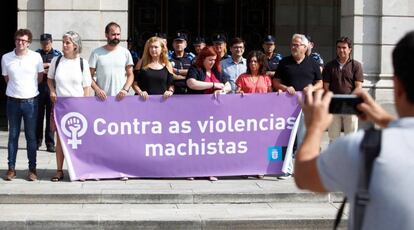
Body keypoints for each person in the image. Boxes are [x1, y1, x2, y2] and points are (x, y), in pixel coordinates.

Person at [294, 31, 414, 230]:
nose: (341, 50)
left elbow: (304, 175)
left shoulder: (362, 149)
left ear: (397, 87)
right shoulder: (331, 66)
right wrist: (386, 119)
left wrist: (314, 127)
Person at [273, 33, 322, 179]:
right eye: (292, 44)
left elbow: (320, 83)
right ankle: (285, 168)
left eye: (297, 44)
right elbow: (275, 82)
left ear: (305, 47)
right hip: (286, 106)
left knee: (304, 137)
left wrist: (311, 89)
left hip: (306, 106)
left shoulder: (312, 63)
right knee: (286, 138)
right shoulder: (284, 62)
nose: (294, 47)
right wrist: (285, 87)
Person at [47, 31, 91, 182]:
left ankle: (80, 169)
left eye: (68, 42)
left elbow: (87, 87)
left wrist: (85, 107)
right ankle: (59, 170)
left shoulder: (82, 63)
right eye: (63, 42)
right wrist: (52, 91)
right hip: (61, 104)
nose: (64, 45)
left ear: (75, 45)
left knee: (78, 140)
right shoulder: (56, 61)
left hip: (78, 105)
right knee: (60, 140)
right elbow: (50, 79)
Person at [1, 29, 44, 181]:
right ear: (15, 40)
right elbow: (7, 78)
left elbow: (39, 78)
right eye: (18, 39)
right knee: (12, 136)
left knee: (31, 137)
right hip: (12, 101)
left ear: (29, 42)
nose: (21, 43)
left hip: (31, 102)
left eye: (24, 40)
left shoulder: (36, 57)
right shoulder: (6, 58)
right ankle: (11, 169)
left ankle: (32, 169)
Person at [186, 46, 231, 181]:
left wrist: (223, 90)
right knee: (195, 143)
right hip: (196, 112)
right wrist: (212, 85)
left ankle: (210, 170)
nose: (212, 62)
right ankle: (192, 170)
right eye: (209, 59)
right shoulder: (195, 69)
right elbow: (191, 83)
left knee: (211, 144)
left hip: (214, 114)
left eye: (214, 60)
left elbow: (228, 84)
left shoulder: (217, 71)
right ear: (203, 58)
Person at [323, 37, 364, 142]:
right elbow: (326, 87)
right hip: (334, 105)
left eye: (344, 48)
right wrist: (335, 100)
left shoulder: (356, 66)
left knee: (350, 137)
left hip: (350, 105)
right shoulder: (329, 66)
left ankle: (350, 157)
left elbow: (358, 87)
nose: (341, 50)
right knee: (333, 137)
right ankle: (333, 158)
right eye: (339, 47)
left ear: (350, 49)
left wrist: (347, 100)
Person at [89, 22, 134, 101]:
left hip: (121, 99)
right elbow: (89, 76)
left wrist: (125, 90)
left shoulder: (126, 52)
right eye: (113, 34)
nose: (116, 37)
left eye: (118, 34)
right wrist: (97, 90)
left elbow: (130, 75)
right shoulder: (96, 53)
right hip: (102, 99)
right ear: (106, 35)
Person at [35, 33, 61, 153]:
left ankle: (50, 143)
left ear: (51, 42)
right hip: (38, 89)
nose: (46, 45)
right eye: (44, 43)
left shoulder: (57, 54)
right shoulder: (36, 54)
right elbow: (33, 69)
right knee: (38, 117)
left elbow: (58, 70)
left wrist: (44, 69)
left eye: (48, 42)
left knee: (51, 116)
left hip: (52, 89)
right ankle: (37, 141)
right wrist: (47, 67)